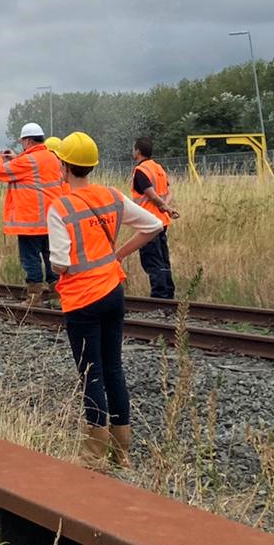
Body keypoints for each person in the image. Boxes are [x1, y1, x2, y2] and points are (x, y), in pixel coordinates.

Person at [48, 132, 165, 467]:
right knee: (113, 367)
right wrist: (118, 254)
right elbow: (154, 225)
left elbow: (60, 263)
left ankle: (93, 453)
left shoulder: (61, 207)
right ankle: (121, 453)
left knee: (91, 372)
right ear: (92, 166)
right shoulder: (111, 195)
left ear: (65, 166)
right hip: (113, 291)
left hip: (82, 299)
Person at [0, 122, 68, 303]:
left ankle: (34, 296)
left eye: (22, 141)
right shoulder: (52, 158)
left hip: (31, 223)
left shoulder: (26, 161)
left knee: (30, 258)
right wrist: (17, 158)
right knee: (50, 256)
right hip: (52, 220)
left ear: (27, 141)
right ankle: (57, 295)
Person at [130, 137, 180, 299]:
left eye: (133, 149)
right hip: (162, 221)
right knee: (163, 259)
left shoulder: (141, 170)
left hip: (148, 222)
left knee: (152, 260)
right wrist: (165, 207)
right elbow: (169, 192)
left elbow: (150, 194)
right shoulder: (158, 168)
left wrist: (165, 207)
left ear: (138, 151)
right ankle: (168, 293)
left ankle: (159, 297)